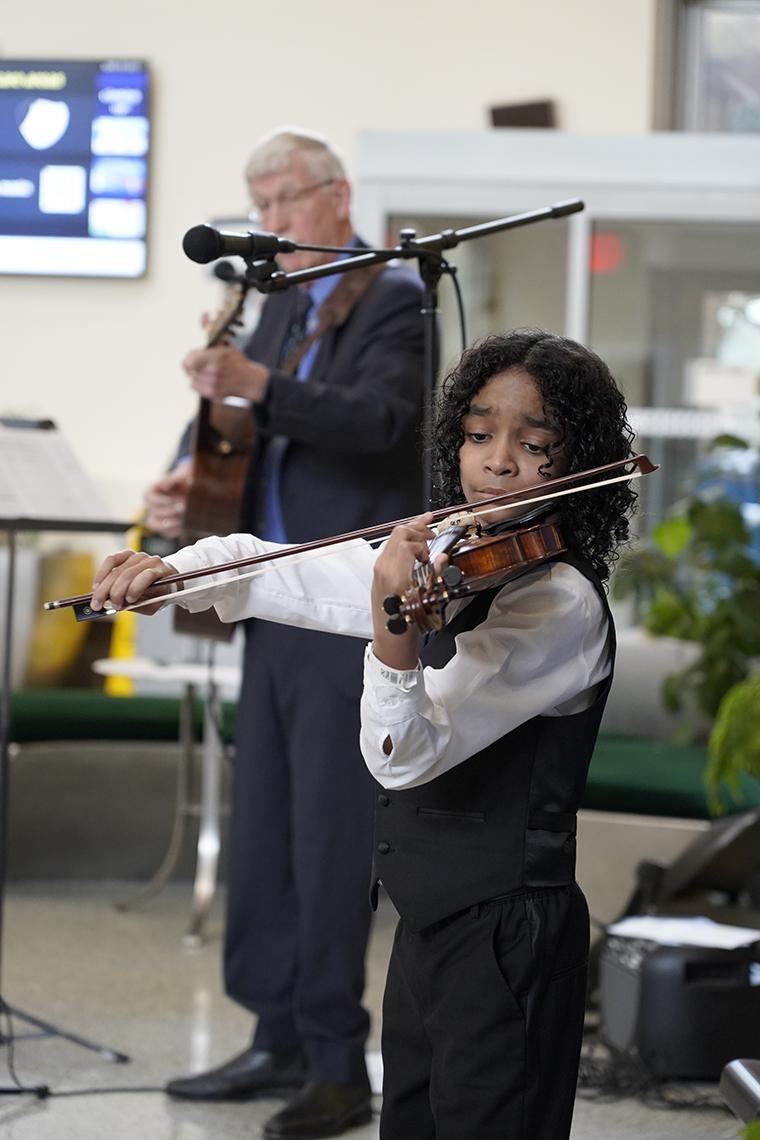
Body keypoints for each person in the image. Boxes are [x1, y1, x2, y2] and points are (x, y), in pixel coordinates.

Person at [92, 328, 639, 1139]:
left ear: (579, 458)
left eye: (536, 446)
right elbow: (296, 571)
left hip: (508, 936)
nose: (497, 463)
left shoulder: (558, 604)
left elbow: (405, 755)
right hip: (429, 926)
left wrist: (393, 633)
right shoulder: (454, 556)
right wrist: (180, 574)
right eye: (480, 436)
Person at [142, 128, 425, 1139]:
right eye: (258, 204)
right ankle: (275, 1036)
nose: (269, 222)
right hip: (266, 598)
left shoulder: (392, 298)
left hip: (340, 602)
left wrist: (258, 386)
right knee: (263, 826)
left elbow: (385, 423)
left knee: (329, 834)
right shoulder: (276, 310)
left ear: (337, 197)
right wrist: (184, 481)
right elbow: (226, 424)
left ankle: (339, 1064)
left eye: (285, 200)